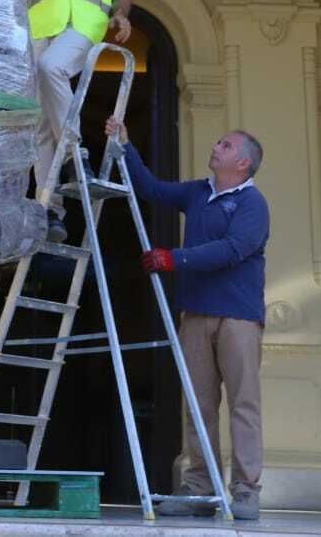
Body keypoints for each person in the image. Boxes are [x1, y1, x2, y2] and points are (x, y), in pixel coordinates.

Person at [106, 116, 269, 522]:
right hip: (195, 313)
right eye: (218, 141)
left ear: (243, 164)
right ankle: (199, 487)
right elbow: (151, 189)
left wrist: (173, 259)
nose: (216, 147)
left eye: (226, 145)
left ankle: (246, 491)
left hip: (238, 317)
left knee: (243, 403)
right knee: (198, 406)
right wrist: (125, 144)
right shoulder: (198, 192)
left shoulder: (252, 203)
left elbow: (233, 249)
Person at [0, 0, 132, 241]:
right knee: (40, 127)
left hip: (83, 27)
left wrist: (120, 15)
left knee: (51, 68)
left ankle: (76, 155)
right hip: (40, 25)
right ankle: (49, 212)